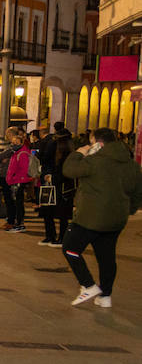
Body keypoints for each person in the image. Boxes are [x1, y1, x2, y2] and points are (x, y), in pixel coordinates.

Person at [61, 128, 142, 308]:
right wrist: (128, 210)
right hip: (116, 219)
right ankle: (106, 295)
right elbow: (137, 192)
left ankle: (88, 285)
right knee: (106, 256)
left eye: (91, 142)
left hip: (90, 217)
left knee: (70, 248)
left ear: (99, 143)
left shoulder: (94, 161)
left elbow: (69, 170)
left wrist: (78, 153)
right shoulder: (131, 164)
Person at [1, 129, 34, 232]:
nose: (13, 144)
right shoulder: (17, 151)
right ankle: (17, 223)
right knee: (16, 203)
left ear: (20, 142)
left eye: (15, 142)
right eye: (13, 142)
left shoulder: (23, 152)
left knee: (18, 204)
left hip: (19, 181)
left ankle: (20, 224)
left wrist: (14, 178)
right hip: (15, 180)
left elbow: (23, 169)